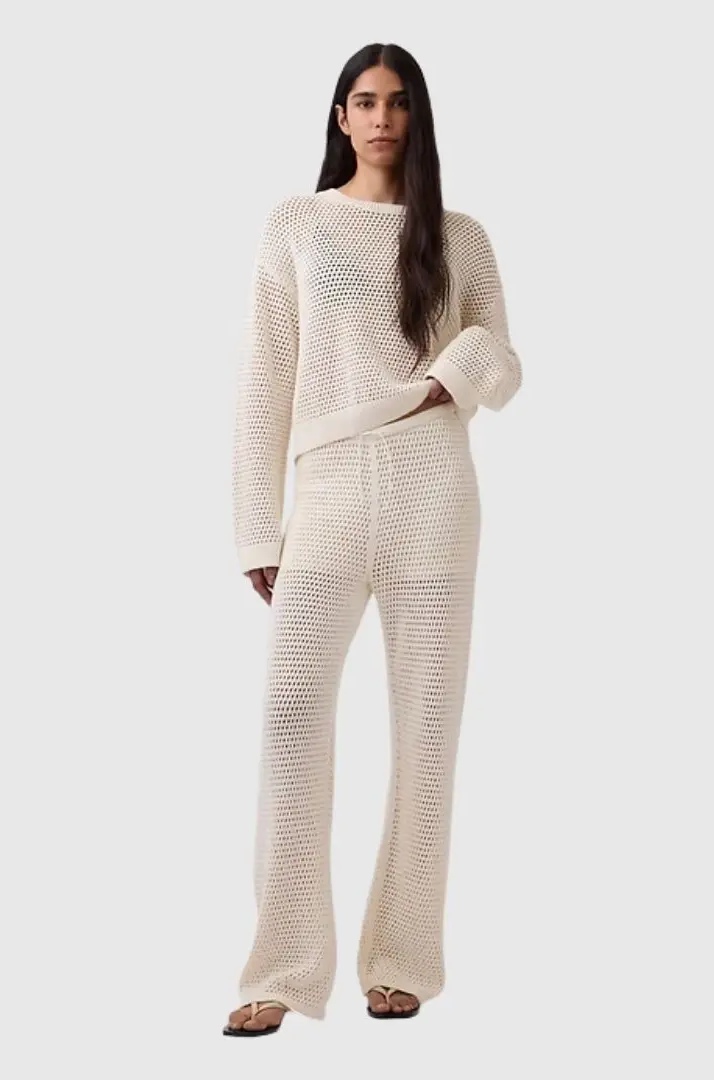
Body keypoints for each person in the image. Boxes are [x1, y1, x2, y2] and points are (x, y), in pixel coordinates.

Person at [224, 41, 523, 1037]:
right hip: (329, 493)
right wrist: (255, 524)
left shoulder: (461, 236)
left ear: (416, 116)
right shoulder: (297, 224)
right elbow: (266, 375)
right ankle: (281, 969)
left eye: (397, 102)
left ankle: (402, 960)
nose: (382, 117)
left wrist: (455, 371)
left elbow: (504, 361)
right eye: (364, 100)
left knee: (426, 731)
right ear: (340, 115)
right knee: (289, 712)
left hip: (436, 492)